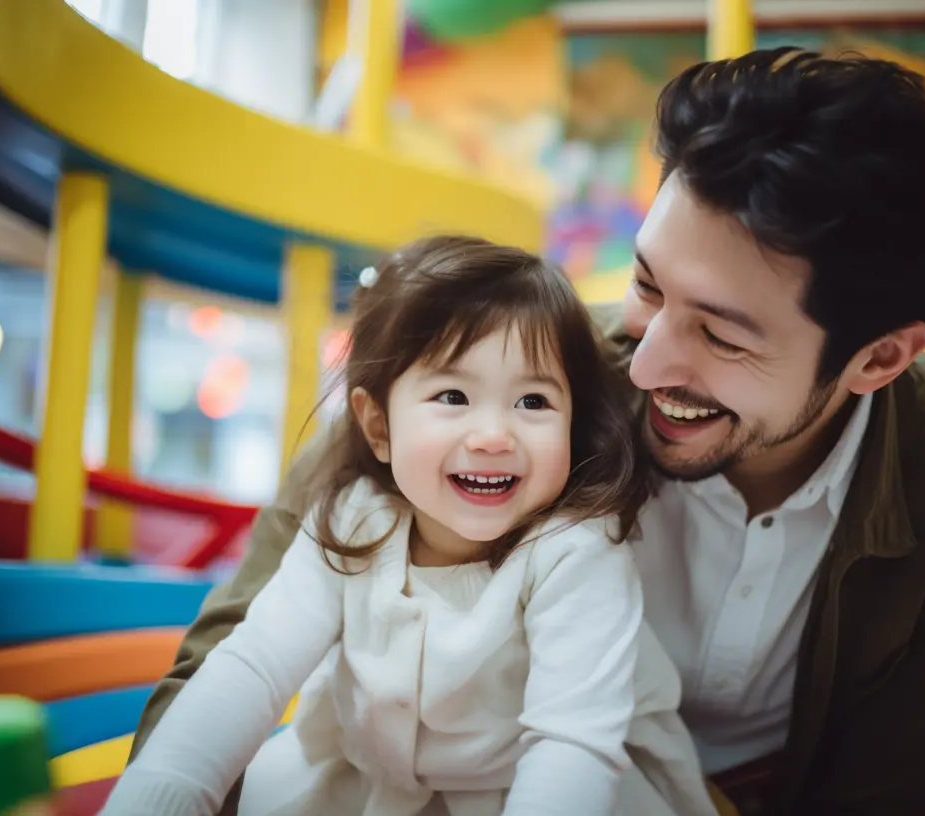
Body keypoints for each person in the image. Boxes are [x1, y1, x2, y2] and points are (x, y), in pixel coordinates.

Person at [132, 47, 925, 815]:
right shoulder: (512, 381)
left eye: (722, 335)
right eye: (649, 286)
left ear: (878, 360)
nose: (643, 366)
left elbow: (889, 788)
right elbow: (238, 652)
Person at [102, 237, 719, 816]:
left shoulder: (577, 552)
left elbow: (571, 747)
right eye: (453, 396)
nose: (493, 436)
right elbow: (255, 665)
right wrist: (165, 792)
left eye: (533, 402)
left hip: (532, 790)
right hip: (365, 781)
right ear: (377, 427)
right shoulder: (351, 519)